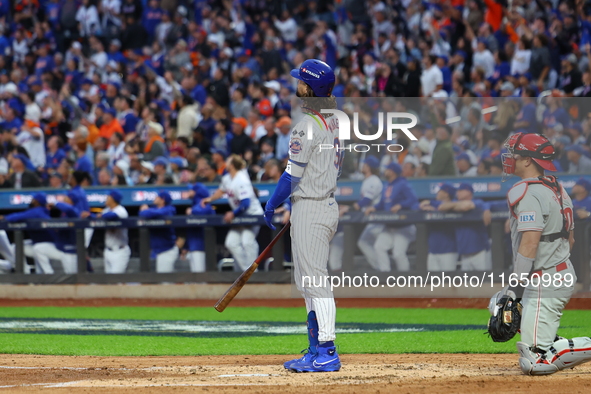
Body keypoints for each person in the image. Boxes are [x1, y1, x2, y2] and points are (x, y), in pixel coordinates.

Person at [263, 59, 341, 372]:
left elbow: (290, 177)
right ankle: (315, 348)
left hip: (311, 204)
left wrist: (271, 204)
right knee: (307, 282)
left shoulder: (306, 125)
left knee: (315, 282)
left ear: (309, 88)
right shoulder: (335, 118)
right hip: (320, 202)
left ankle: (327, 349)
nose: (297, 84)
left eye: (301, 81)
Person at [501, 132, 591, 375]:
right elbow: (569, 240)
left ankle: (545, 345)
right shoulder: (557, 187)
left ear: (528, 160)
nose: (510, 158)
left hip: (547, 278)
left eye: (515, 154)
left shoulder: (529, 192)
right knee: (499, 305)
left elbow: (530, 244)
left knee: (534, 362)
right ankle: (545, 338)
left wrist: (516, 285)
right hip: (555, 272)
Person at [201, 154, 263, 271]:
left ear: (233, 165)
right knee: (231, 242)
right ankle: (247, 271)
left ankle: (254, 272)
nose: (226, 163)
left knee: (247, 241)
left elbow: (246, 204)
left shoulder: (241, 179)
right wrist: (209, 199)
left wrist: (232, 214)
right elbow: (221, 191)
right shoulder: (227, 178)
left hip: (252, 214)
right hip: (239, 215)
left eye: (228, 161)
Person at [436, 183, 491, 271]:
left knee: (487, 282)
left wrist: (453, 206)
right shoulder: (455, 202)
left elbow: (466, 206)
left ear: (469, 193)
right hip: (464, 256)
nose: (458, 193)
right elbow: (442, 206)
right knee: (467, 284)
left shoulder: (478, 202)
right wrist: (455, 205)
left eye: (461, 191)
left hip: (480, 253)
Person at [0, 193, 54, 274]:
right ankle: (26, 272)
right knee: (17, 246)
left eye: (33, 200)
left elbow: (18, 216)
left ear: (37, 202)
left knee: (19, 247)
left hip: (47, 245)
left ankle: (25, 273)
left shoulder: (37, 211)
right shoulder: (43, 210)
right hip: (42, 242)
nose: (31, 201)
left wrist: (5, 217)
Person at [418, 183, 459, 272]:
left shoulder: (455, 206)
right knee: (433, 283)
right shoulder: (433, 205)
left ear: (446, 194)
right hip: (433, 251)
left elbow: (446, 206)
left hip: (449, 251)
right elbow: (418, 206)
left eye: (440, 191)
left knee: (448, 282)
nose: (437, 193)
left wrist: (435, 210)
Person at [139, 191, 178, 273]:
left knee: (165, 281)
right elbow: (143, 213)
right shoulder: (154, 209)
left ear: (162, 199)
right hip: (155, 251)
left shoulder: (170, 209)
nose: (155, 198)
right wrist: (146, 211)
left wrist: (146, 210)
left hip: (167, 250)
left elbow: (150, 212)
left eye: (157, 197)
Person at [185, 183, 215, 272]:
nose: (189, 191)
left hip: (201, 245)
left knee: (200, 275)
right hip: (193, 245)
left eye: (192, 190)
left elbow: (207, 211)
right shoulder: (195, 204)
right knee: (195, 277)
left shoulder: (203, 204)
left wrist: (192, 211)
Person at [98, 190, 130, 274]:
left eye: (108, 197)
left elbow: (112, 215)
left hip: (120, 251)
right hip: (107, 251)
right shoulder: (107, 210)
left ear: (113, 199)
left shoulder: (121, 210)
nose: (106, 198)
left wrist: (101, 215)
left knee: (116, 282)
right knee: (109, 283)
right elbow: (96, 217)